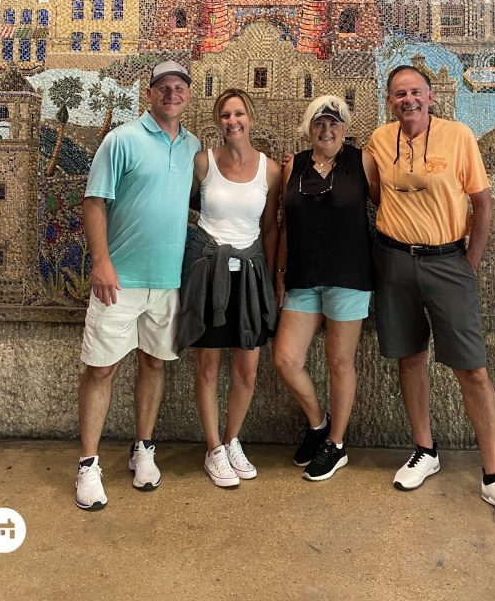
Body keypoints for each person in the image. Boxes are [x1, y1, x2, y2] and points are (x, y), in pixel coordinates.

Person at [365, 65, 495, 525]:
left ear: (430, 95)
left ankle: (494, 476)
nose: (408, 100)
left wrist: (469, 264)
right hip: (396, 260)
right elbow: (379, 195)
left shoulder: (458, 136)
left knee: (472, 368)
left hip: (448, 262)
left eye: (415, 92)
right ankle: (424, 449)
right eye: (399, 94)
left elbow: (483, 203)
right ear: (390, 100)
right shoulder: (379, 142)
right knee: (410, 356)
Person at [76, 60, 200, 511]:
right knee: (101, 369)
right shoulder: (121, 139)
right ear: (149, 94)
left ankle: (142, 447)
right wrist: (101, 262)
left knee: (154, 364)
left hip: (168, 281)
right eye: (163, 87)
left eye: (179, 87)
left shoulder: (194, 147)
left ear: (188, 95)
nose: (172, 93)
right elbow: (94, 201)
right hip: (119, 280)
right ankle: (88, 465)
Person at [177, 89, 280, 488]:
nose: (232, 121)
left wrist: (272, 279)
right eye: (224, 114)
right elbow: (180, 207)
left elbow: (270, 228)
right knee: (207, 366)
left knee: (247, 368)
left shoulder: (270, 171)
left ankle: (233, 438)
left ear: (250, 119)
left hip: (249, 277)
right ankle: (213, 448)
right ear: (218, 121)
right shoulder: (203, 162)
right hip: (207, 272)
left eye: (238, 114)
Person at [273, 96, 379, 482]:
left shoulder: (362, 161)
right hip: (303, 276)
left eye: (334, 122)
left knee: (339, 361)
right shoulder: (293, 167)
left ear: (345, 127)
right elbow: (284, 223)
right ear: (309, 127)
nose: (327, 129)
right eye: (319, 123)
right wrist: (280, 273)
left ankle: (335, 444)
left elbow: (386, 207)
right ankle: (318, 423)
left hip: (349, 276)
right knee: (285, 359)